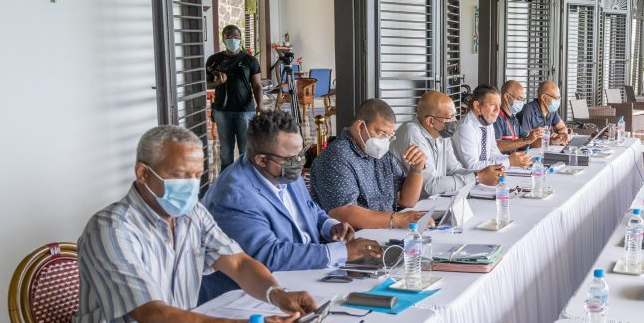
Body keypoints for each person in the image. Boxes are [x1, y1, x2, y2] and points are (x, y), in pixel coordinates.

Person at [58, 126, 315, 323]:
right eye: (181, 176)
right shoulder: (112, 229)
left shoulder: (193, 214)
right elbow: (156, 318)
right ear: (143, 173)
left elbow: (237, 263)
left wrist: (278, 295)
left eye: (196, 176)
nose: (191, 186)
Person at [200, 110, 384, 304]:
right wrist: (342, 252)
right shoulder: (234, 195)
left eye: (300, 154)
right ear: (261, 160)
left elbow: (310, 209)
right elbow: (268, 254)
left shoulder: (282, 171)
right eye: (290, 158)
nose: (298, 162)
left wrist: (330, 226)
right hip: (249, 299)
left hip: (304, 277)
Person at [310, 99, 429, 229]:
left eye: (388, 135)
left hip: (385, 233)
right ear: (360, 127)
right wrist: (398, 219)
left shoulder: (381, 155)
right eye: (381, 133)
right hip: (354, 241)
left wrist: (417, 168)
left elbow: (407, 200)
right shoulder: (335, 157)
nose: (384, 141)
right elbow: (342, 213)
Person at [392, 91, 503, 197]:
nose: (454, 121)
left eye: (455, 116)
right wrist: (478, 178)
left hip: (431, 201)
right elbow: (429, 186)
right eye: (450, 117)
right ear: (430, 121)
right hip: (406, 208)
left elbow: (454, 169)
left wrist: (484, 173)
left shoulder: (441, 133)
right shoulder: (412, 134)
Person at [206, 25, 263, 169]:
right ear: (223, 39)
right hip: (222, 111)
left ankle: (247, 182)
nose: (233, 40)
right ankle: (226, 182)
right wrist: (217, 82)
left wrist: (260, 104)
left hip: (245, 111)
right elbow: (205, 84)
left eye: (236, 37)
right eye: (229, 37)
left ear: (241, 39)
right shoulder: (214, 60)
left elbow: (257, 85)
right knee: (225, 152)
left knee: (247, 150)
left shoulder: (250, 60)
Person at [453, 84, 534, 171]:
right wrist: (509, 161)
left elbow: (493, 154)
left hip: (486, 177)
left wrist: (515, 160)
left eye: (499, 105)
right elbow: (472, 166)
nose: (497, 110)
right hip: (468, 180)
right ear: (477, 106)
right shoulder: (466, 127)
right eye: (493, 105)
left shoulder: (487, 122)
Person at [494, 80, 542, 153]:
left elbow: (525, 142)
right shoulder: (497, 118)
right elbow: (497, 146)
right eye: (519, 99)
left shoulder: (514, 119)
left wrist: (547, 139)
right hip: (501, 163)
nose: (522, 102)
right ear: (506, 97)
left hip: (514, 161)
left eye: (523, 99)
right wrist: (527, 140)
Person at [518, 81, 570, 145]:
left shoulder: (551, 110)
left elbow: (562, 127)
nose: (558, 101)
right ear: (544, 98)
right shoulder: (527, 111)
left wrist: (561, 136)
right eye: (556, 98)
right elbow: (524, 142)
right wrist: (551, 141)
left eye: (559, 98)